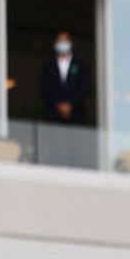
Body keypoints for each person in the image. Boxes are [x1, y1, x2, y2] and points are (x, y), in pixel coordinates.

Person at [40, 29, 89, 160]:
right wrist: (58, 104)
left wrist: (71, 105)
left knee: (74, 152)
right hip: (53, 117)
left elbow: (83, 88)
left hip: (76, 118)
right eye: (59, 41)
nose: (62, 43)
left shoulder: (80, 65)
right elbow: (45, 89)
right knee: (55, 152)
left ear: (71, 43)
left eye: (65, 40)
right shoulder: (48, 66)